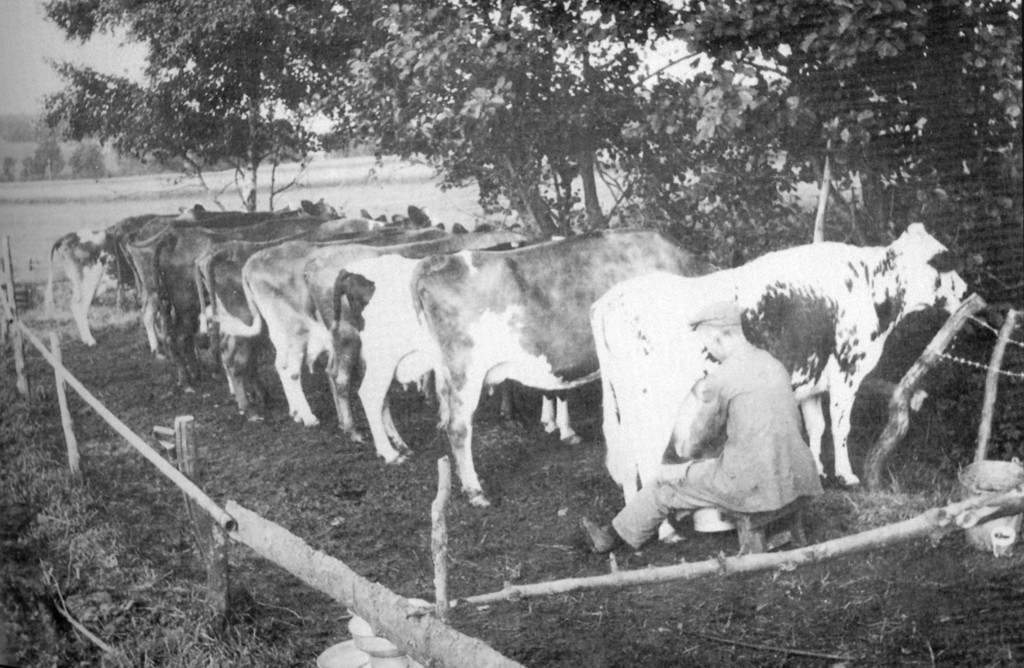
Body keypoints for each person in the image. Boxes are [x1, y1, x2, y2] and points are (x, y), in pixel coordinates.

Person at [582, 300, 823, 553]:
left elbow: (699, 438)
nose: (709, 351)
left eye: (707, 343)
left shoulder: (721, 377)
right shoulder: (773, 363)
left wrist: (680, 453)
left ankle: (610, 537)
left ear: (720, 337)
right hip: (797, 477)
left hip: (754, 487)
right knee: (713, 470)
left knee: (664, 483)